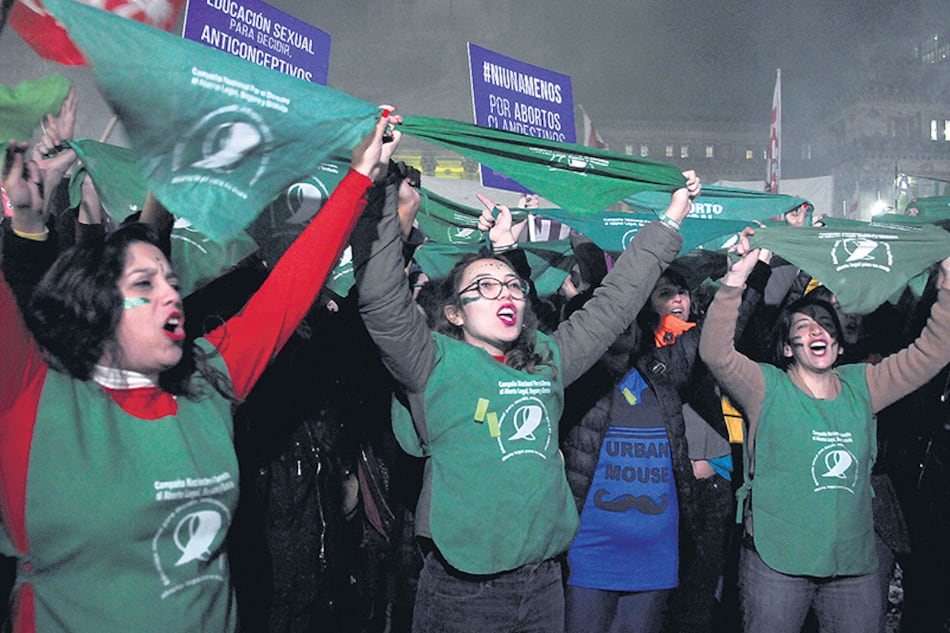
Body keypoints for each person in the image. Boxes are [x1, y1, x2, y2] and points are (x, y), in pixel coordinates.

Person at [0, 108, 398, 633]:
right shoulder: (33, 397)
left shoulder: (206, 379)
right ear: (93, 304)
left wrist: (359, 177)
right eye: (145, 285)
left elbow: (289, 290)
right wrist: (28, 222)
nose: (171, 292)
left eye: (170, 279)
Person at [352, 122, 700, 633]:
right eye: (485, 287)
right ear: (453, 313)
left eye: (513, 285)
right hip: (463, 589)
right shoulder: (432, 362)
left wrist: (668, 224)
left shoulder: (548, 357)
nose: (506, 295)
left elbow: (615, 303)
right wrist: (379, 187)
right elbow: (381, 296)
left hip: (543, 584)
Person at [698, 229, 950, 633]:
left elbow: (932, 352)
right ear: (786, 348)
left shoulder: (863, 386)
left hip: (852, 566)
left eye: (826, 325)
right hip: (776, 563)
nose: (817, 331)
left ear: (838, 343)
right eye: (805, 324)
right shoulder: (766, 387)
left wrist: (948, 287)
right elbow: (715, 353)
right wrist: (735, 281)